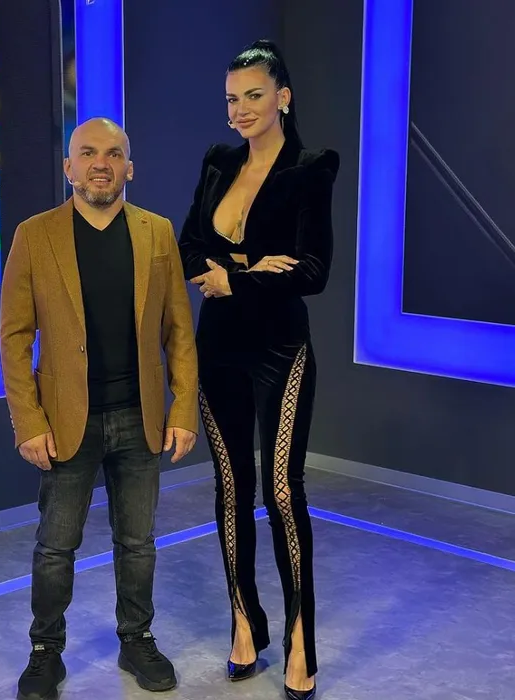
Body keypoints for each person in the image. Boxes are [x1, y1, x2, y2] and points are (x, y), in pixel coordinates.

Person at [0, 117, 199, 700]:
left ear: (129, 167)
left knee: (137, 543)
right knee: (55, 546)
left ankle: (136, 639)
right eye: (87, 153)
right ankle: (45, 651)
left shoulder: (158, 233)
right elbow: (14, 338)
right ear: (69, 167)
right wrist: (28, 421)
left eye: (113, 154)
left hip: (141, 418)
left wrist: (183, 409)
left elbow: (179, 332)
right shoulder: (35, 235)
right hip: (67, 422)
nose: (100, 164)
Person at [178, 40, 339, 700]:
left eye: (253, 95)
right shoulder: (218, 161)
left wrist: (232, 278)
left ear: (283, 97)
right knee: (230, 488)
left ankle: (301, 638)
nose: (240, 109)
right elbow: (187, 246)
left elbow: (312, 271)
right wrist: (253, 267)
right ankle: (244, 623)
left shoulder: (310, 167)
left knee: (281, 490)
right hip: (217, 345)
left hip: (279, 347)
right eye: (231, 99)